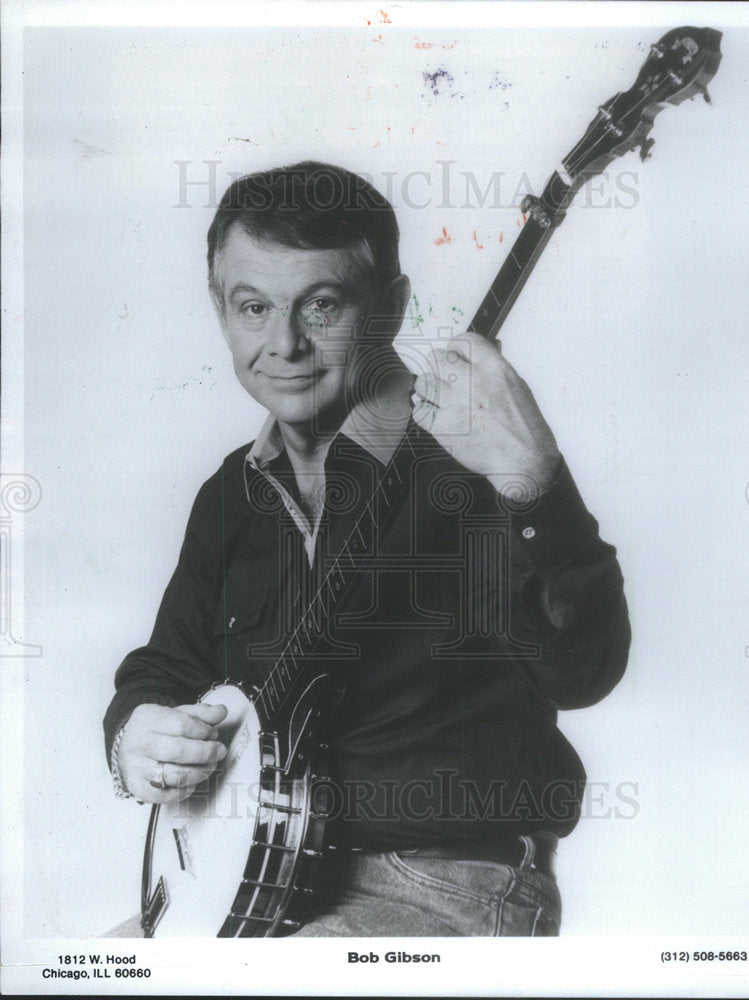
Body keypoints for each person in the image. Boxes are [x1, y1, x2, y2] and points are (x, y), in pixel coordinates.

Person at [103, 161, 630, 937]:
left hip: (442, 880)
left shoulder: (471, 460)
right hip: (259, 881)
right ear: (219, 310)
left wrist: (532, 479)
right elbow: (165, 667)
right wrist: (135, 731)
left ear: (390, 308)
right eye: (253, 307)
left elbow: (583, 669)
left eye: (321, 306)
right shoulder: (229, 496)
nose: (282, 344)